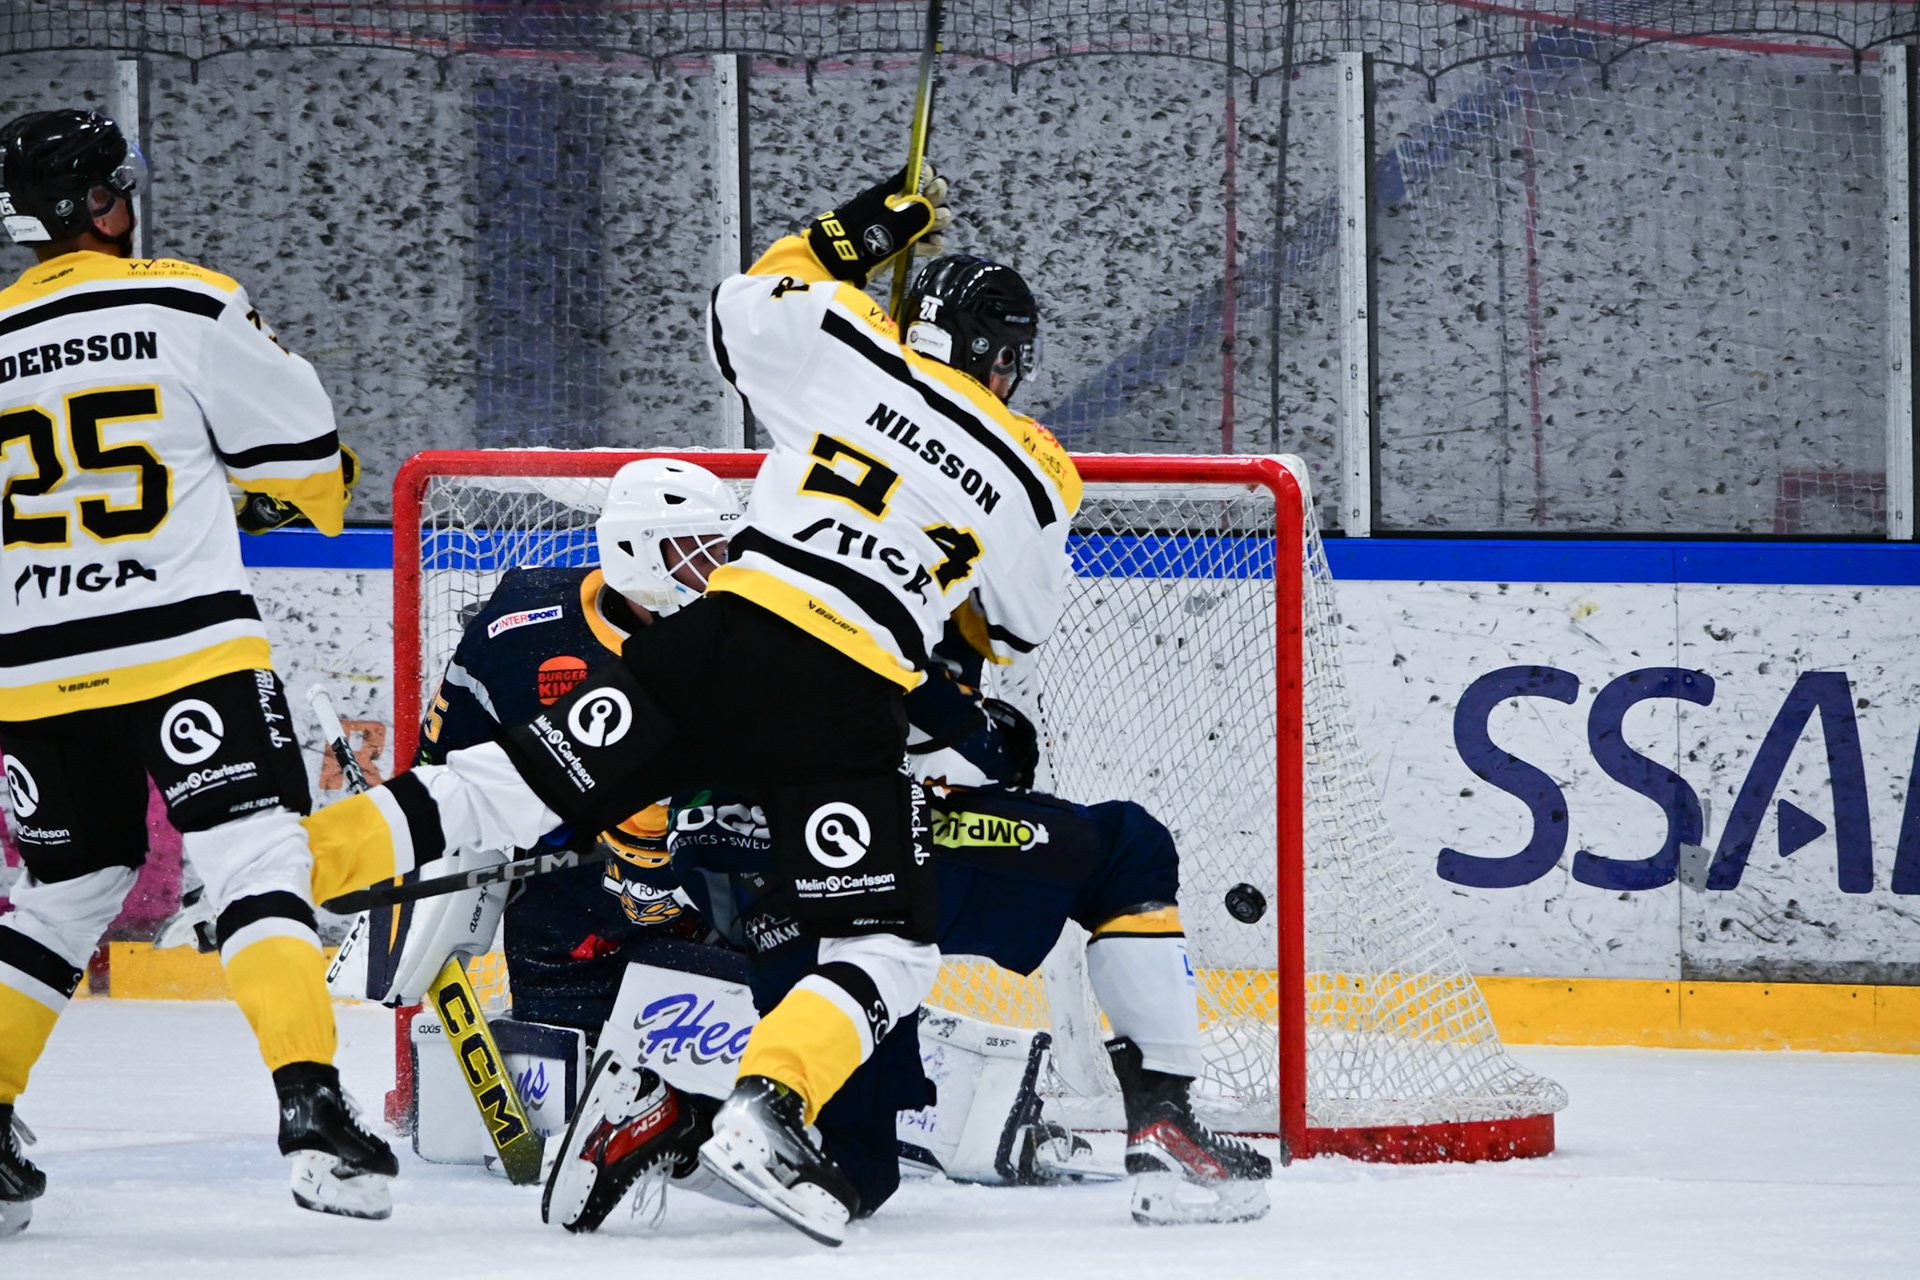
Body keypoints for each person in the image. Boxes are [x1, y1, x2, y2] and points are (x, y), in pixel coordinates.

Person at [302, 160, 1087, 1246]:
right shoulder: (1035, 466)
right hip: (840, 693)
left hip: (716, 640)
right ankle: (767, 1102)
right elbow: (1014, 624)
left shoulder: (854, 351)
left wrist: (860, 232)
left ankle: (285, 871)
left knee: (494, 786)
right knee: (885, 949)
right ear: (1005, 361)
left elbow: (746, 298)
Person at [0, 108, 393, 1234]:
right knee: (257, 856)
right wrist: (285, 488)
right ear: (102, 205)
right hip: (184, 647)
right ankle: (311, 1106)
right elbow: (307, 466)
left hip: (30, 665)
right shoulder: (185, 300)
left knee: (64, 891)